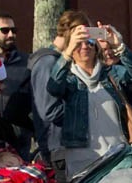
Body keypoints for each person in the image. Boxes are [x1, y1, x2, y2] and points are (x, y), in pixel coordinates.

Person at [45, 20, 132, 180]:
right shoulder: (69, 80)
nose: (85, 46)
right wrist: (67, 53)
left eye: (90, 41)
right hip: (82, 163)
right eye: (78, 43)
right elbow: (53, 87)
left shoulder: (111, 74)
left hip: (118, 157)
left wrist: (119, 45)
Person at [29, 10, 91, 161]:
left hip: (62, 145)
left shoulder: (56, 60)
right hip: (57, 147)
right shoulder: (47, 62)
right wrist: (86, 111)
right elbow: (50, 110)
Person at [0, 12, 33, 157]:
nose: (11, 34)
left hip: (19, 145)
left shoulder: (28, 62)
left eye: (13, 31)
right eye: (5, 30)